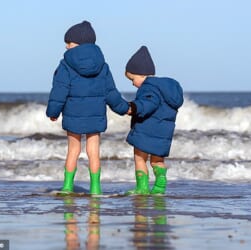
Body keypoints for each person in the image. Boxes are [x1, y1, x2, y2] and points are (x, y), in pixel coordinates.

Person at [46, 21, 129, 195]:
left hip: (73, 114)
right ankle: (95, 188)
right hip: (95, 114)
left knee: (73, 150)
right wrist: (124, 108)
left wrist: (53, 111)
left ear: (77, 44)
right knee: (93, 151)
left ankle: (68, 186)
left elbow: (60, 90)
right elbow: (111, 92)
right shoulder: (102, 65)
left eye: (69, 42)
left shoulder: (65, 65)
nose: (67, 46)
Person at [125, 46, 184, 195]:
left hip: (146, 130)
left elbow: (149, 103)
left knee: (139, 158)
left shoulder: (148, 88)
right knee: (157, 161)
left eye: (133, 79)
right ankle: (160, 186)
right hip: (163, 134)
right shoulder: (165, 90)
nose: (133, 83)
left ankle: (142, 188)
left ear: (141, 74)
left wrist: (134, 107)